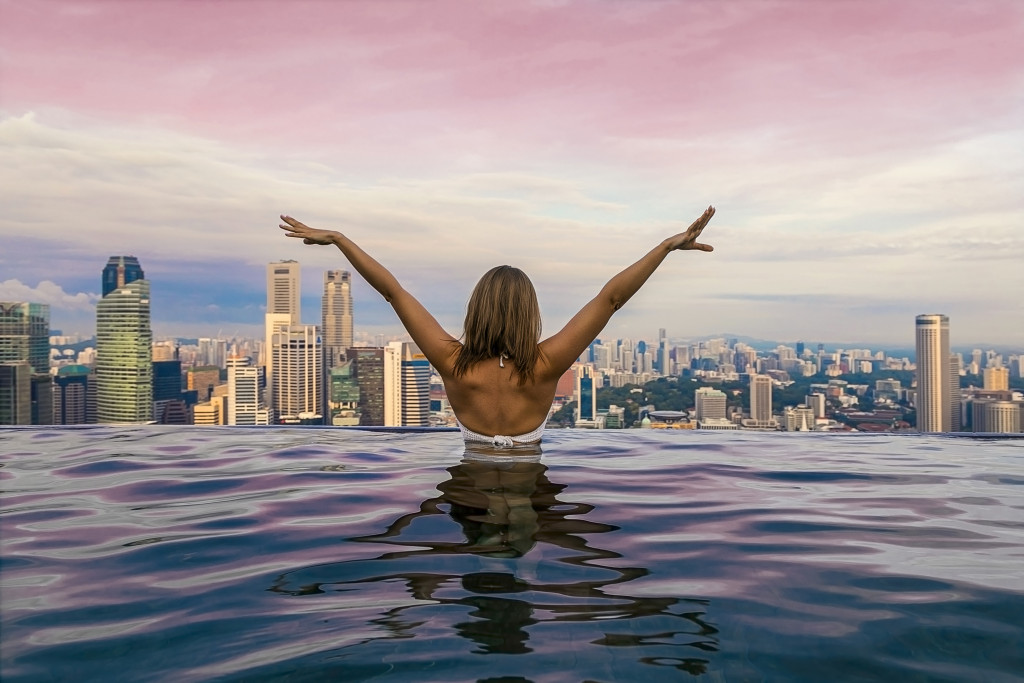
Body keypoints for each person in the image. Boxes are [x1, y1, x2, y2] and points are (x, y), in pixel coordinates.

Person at [279, 206, 715, 448]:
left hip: (468, 489)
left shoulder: (455, 365)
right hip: (532, 489)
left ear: (477, 310)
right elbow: (611, 299)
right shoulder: (544, 366)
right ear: (530, 313)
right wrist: (665, 246)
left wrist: (339, 238)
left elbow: (393, 292)